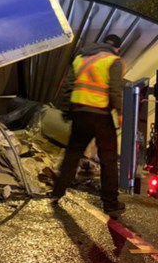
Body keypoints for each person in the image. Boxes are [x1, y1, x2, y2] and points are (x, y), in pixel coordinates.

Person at [51, 33, 126, 217]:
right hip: (101, 114)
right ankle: (110, 204)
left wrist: (66, 110)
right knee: (108, 159)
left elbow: (68, 85)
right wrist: (120, 112)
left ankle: (57, 192)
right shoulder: (113, 61)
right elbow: (115, 89)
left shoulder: (81, 58)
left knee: (72, 153)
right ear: (117, 48)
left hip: (80, 112)